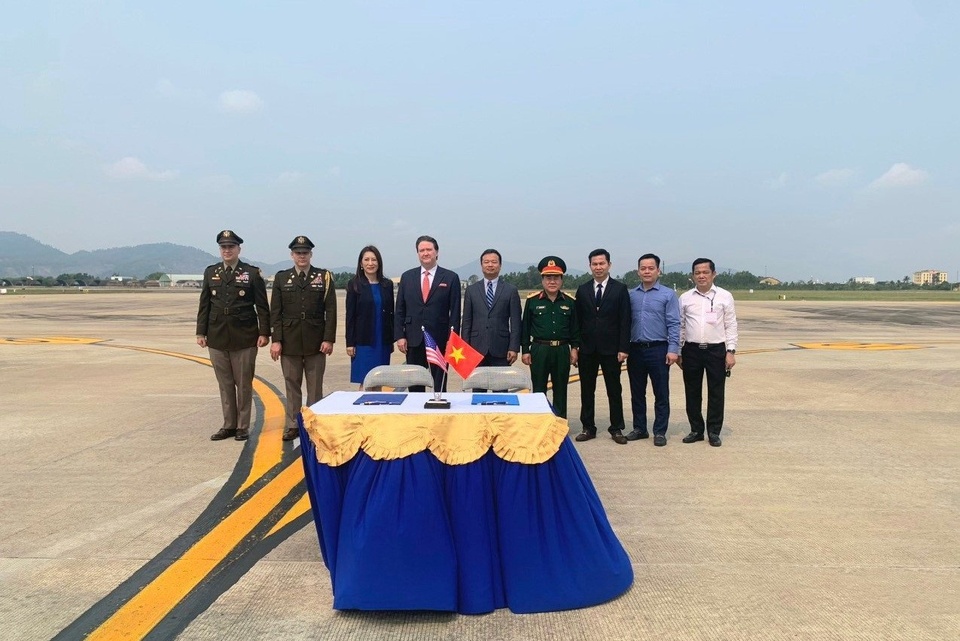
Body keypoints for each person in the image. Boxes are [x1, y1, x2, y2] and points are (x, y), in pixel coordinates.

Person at [196, 230, 270, 442]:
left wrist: (264, 332)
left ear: (239, 249)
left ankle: (242, 426)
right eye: (223, 247)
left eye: (231, 247)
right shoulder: (211, 272)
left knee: (244, 383)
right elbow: (204, 305)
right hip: (217, 336)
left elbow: (262, 307)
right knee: (225, 384)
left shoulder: (251, 273)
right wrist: (200, 332)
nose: (227, 250)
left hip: (245, 337)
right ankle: (228, 424)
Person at [269, 235, 337, 441]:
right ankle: (293, 424)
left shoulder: (323, 277)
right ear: (292, 255)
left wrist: (328, 339)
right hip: (289, 342)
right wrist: (276, 340)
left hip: (316, 341)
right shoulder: (282, 278)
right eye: (298, 253)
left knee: (315, 387)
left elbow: (331, 311)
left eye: (305, 252)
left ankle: (313, 423)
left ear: (311, 254)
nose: (302, 256)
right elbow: (276, 312)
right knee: (292, 385)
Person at [678, 258, 738, 447]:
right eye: (697, 273)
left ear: (714, 274)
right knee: (692, 391)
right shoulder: (685, 298)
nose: (701, 276)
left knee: (716, 392)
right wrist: (678, 351)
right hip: (691, 350)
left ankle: (713, 431)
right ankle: (696, 430)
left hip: (716, 350)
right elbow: (680, 326)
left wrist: (731, 351)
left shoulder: (724, 296)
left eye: (705, 272)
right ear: (692, 276)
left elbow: (731, 325)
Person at [574, 249, 631, 444]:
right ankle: (588, 427)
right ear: (590, 266)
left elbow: (625, 320)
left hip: (612, 349)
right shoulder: (583, 289)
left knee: (614, 390)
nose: (598, 267)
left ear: (609, 265)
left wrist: (623, 348)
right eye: (594, 264)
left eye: (602, 263)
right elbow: (577, 321)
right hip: (587, 349)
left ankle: (617, 428)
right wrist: (576, 346)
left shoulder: (620, 289)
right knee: (586, 390)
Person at [625, 253, 680, 447]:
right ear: (638, 271)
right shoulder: (631, 295)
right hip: (635, 349)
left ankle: (660, 431)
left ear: (658, 271)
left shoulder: (668, 295)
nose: (647, 271)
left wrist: (673, 349)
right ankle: (640, 428)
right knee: (637, 392)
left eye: (651, 268)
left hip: (658, 349)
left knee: (661, 393)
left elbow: (674, 323)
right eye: (643, 268)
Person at [394, 235, 461, 391]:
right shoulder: (407, 277)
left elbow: (455, 312)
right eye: (421, 250)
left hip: (440, 339)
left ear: (436, 252)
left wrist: (452, 340)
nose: (425, 253)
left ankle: (438, 405)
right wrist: (400, 336)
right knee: (414, 384)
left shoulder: (450, 277)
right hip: (413, 339)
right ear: (417, 253)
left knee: (439, 385)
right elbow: (400, 309)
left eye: (429, 250)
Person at [521, 256, 580, 419]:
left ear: (561, 280)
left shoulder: (570, 302)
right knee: (539, 390)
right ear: (542, 280)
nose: (552, 281)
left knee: (561, 389)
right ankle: (540, 422)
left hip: (562, 350)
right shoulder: (532, 301)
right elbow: (525, 327)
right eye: (548, 278)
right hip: (540, 349)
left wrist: (574, 348)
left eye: (556, 278)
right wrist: (525, 350)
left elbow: (575, 328)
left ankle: (560, 423)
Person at [460, 248, 522, 377]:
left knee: (501, 386)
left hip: (501, 348)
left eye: (494, 262)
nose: (490, 265)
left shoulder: (510, 290)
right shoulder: (471, 290)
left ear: (500, 265)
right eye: (486, 262)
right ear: (481, 265)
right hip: (475, 348)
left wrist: (514, 347)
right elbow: (466, 321)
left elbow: (516, 322)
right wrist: (465, 347)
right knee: (477, 386)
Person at [345, 245, 395, 389]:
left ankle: (377, 404)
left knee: (379, 380)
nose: (370, 263)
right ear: (361, 263)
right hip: (363, 342)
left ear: (379, 262)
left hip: (382, 341)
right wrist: (350, 343)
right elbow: (350, 316)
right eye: (366, 260)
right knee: (366, 380)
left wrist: (391, 339)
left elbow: (391, 314)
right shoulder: (354, 284)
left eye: (374, 259)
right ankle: (364, 404)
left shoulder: (387, 285)